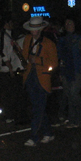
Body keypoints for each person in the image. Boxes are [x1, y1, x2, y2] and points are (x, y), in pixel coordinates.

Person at [21, 15, 58, 146]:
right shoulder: (27, 40)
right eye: (32, 29)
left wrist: (38, 61)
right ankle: (48, 132)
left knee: (38, 108)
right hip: (30, 77)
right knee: (37, 108)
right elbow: (25, 57)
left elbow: (54, 63)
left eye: (35, 29)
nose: (33, 31)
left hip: (42, 79)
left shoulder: (49, 43)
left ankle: (34, 136)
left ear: (41, 29)